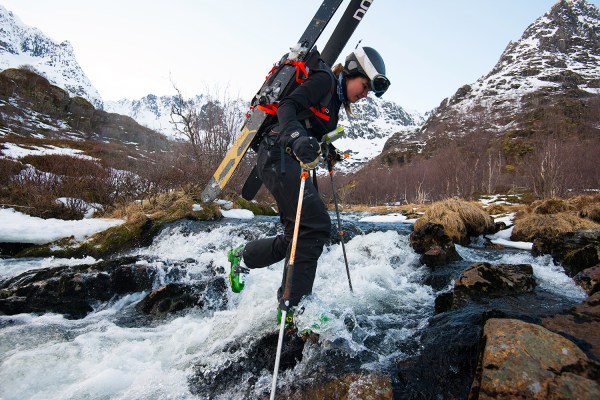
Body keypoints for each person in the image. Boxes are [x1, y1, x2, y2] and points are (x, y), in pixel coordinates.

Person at [228, 46, 390, 324]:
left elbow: (310, 126)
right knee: (315, 227)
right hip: (277, 153)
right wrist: (297, 138)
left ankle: (243, 256)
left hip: (285, 158)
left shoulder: (336, 103)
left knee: (296, 238)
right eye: (364, 86)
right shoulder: (325, 80)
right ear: (352, 72)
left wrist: (323, 149)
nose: (365, 95)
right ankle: (294, 310)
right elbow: (287, 106)